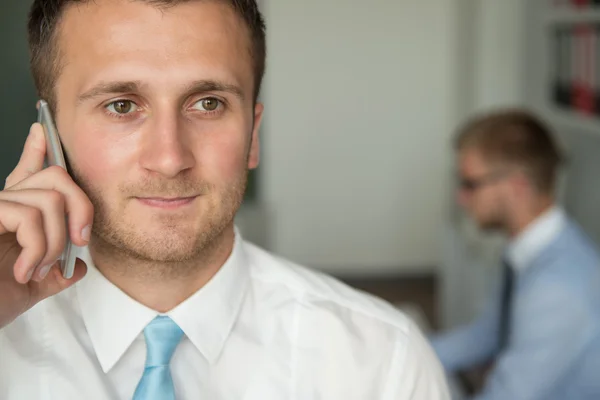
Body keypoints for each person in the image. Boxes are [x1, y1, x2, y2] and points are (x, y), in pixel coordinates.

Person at [0, 1, 450, 398]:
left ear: (253, 135)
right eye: (121, 105)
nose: (170, 158)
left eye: (208, 103)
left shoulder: (381, 364)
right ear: (51, 136)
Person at [430, 109, 600, 399]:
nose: (461, 197)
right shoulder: (526, 253)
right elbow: (489, 333)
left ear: (517, 186)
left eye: (471, 184)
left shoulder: (557, 285)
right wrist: (402, 345)